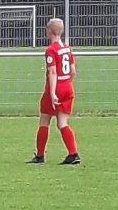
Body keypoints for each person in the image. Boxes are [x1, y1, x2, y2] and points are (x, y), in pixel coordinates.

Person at [30, 17, 80, 165]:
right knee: (62, 122)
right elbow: (73, 71)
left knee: (44, 120)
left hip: (56, 88)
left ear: (49, 31)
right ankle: (73, 154)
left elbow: (53, 72)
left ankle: (40, 156)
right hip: (67, 87)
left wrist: (52, 93)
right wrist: (67, 83)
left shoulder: (51, 50)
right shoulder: (67, 48)